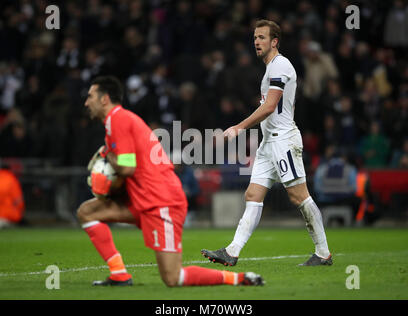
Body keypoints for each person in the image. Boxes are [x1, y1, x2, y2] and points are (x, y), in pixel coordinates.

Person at [77, 76, 264, 286]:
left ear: (104, 99)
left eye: (90, 96)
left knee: (173, 278)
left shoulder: (118, 120)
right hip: (142, 198)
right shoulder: (115, 122)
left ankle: (240, 279)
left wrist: (108, 157)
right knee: (87, 211)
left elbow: (127, 167)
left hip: (162, 202)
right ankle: (119, 275)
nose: (86, 102)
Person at [201, 20, 332, 267]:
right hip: (268, 143)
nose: (257, 42)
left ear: (274, 41)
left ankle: (323, 253)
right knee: (253, 194)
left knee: (298, 196)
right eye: (254, 38)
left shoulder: (280, 65)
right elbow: (267, 107)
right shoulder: (271, 67)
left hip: (283, 140)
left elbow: (270, 106)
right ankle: (232, 251)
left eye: (262, 37)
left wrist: (239, 127)